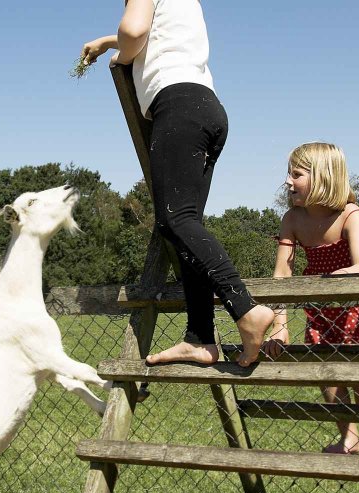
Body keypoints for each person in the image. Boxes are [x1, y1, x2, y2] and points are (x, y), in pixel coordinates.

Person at [81, 0, 274, 367]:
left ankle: (246, 308)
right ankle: (200, 338)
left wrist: (121, 51)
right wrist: (110, 43)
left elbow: (135, 32)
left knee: (175, 219)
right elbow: (154, 32)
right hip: (206, 107)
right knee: (184, 226)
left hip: (178, 104)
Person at [263, 142, 359, 457]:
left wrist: (335, 279)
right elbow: (282, 275)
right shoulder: (292, 219)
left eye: (297, 174)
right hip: (321, 310)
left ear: (322, 177)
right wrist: (279, 325)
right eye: (288, 174)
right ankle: (348, 437)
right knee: (328, 376)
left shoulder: (350, 215)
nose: (288, 181)